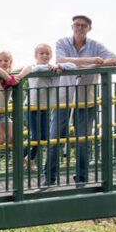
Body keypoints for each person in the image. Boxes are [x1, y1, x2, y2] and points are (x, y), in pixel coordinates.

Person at [47, 15, 116, 186]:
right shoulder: (63, 42)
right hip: (63, 100)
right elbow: (60, 60)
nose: (79, 28)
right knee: (54, 139)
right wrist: (90, 60)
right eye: (77, 25)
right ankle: (49, 178)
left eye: (83, 26)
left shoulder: (96, 45)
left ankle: (81, 178)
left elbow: (115, 60)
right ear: (72, 26)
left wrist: (95, 66)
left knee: (82, 140)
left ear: (89, 28)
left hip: (86, 101)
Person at [15, 44, 72, 172]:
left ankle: (28, 159)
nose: (44, 55)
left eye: (47, 53)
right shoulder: (36, 67)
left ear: (51, 56)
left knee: (44, 137)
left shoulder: (55, 68)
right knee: (36, 136)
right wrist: (19, 76)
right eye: (41, 53)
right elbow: (29, 67)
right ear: (36, 56)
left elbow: (72, 66)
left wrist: (60, 66)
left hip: (45, 108)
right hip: (32, 108)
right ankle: (21, 158)